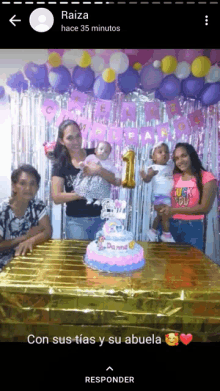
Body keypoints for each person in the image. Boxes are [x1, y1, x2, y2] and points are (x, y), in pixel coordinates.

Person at [51, 119, 120, 240]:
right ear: (62, 141)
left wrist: (99, 170)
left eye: (78, 136)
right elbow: (56, 197)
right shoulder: (60, 164)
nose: (76, 141)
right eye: (70, 138)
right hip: (76, 222)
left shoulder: (95, 153)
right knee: (78, 258)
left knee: (102, 257)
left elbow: (116, 181)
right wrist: (80, 194)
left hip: (102, 219)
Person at [158, 142, 217, 252]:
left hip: (192, 228)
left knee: (190, 266)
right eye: (176, 158)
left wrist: (173, 210)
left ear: (191, 155)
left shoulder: (207, 177)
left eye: (183, 156)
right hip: (168, 227)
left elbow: (205, 208)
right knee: (166, 265)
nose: (180, 161)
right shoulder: (173, 177)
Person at [0, 164, 52, 271]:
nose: (28, 188)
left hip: (31, 259)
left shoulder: (38, 205)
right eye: (22, 183)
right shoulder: (3, 210)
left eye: (32, 184)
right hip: (4, 264)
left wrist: (31, 241)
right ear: (14, 186)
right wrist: (25, 238)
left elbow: (47, 231)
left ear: (37, 187)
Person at [140, 142, 175, 242]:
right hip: (159, 196)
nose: (164, 154)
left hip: (168, 196)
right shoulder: (153, 167)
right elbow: (147, 180)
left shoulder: (170, 166)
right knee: (165, 215)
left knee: (160, 215)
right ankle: (166, 235)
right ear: (153, 157)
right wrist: (147, 176)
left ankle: (153, 231)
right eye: (160, 152)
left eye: (166, 152)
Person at [73, 140, 121, 205]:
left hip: (102, 183)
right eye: (101, 149)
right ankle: (89, 198)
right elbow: (85, 165)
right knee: (85, 188)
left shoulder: (108, 163)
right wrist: (82, 165)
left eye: (106, 152)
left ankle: (99, 201)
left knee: (103, 191)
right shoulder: (91, 157)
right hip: (90, 180)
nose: (103, 152)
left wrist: (118, 176)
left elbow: (115, 171)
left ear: (109, 155)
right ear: (95, 150)